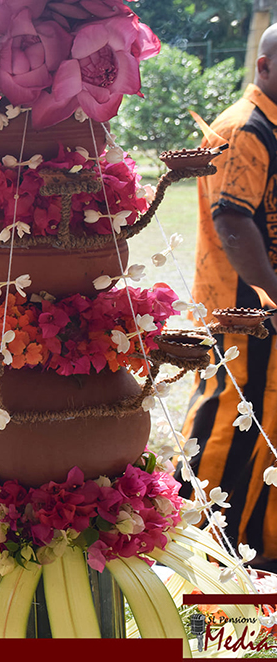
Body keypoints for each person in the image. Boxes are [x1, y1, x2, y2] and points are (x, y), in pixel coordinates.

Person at [182, 23, 277, 570]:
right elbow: (233, 222)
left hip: (259, 307)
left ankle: (252, 543)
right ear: (263, 67)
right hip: (243, 309)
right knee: (230, 418)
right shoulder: (245, 128)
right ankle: (202, 549)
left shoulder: (270, 125)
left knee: (259, 419)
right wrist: (273, 296)